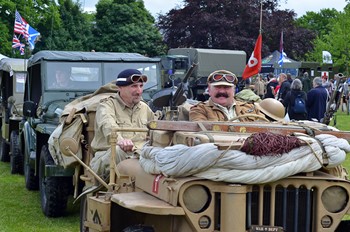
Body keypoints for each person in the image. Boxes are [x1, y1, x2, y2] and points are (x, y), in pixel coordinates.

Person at [90, 69, 157, 177]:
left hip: (138, 157)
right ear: (120, 88)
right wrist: (121, 141)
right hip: (108, 160)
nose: (139, 91)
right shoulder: (107, 106)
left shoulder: (144, 108)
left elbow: (156, 129)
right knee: (118, 150)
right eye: (134, 86)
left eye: (141, 86)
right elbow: (108, 125)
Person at [189, 70, 264, 122]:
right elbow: (201, 135)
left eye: (226, 87)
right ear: (209, 89)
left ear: (234, 90)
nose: (222, 91)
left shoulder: (251, 108)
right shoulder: (199, 110)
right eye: (217, 87)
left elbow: (266, 129)